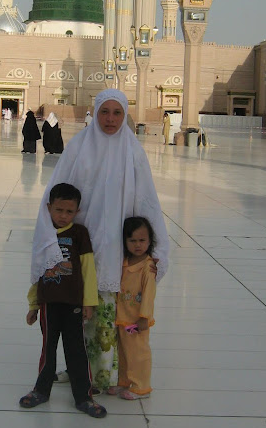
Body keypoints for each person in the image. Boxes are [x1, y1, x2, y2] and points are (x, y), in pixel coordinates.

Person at [31, 88, 169, 394]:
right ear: (96, 113)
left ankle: (104, 374)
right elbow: (58, 190)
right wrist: (53, 238)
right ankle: (79, 368)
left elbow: (146, 200)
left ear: (125, 115)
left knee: (109, 314)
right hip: (80, 245)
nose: (110, 119)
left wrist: (152, 247)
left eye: (117, 113)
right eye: (105, 112)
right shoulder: (80, 145)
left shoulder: (133, 150)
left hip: (118, 248)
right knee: (79, 312)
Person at [20, 183, 107, 419]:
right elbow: (37, 270)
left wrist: (89, 302)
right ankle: (41, 390)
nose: (63, 216)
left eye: (69, 212)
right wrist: (33, 305)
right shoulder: (44, 233)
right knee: (48, 348)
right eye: (58, 210)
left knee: (76, 349)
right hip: (49, 304)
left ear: (77, 212)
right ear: (48, 208)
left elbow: (88, 270)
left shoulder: (79, 234)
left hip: (74, 304)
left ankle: (83, 396)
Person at [107, 217, 157, 401]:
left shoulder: (148, 267)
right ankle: (124, 381)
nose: (138, 245)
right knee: (123, 352)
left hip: (137, 321)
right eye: (132, 240)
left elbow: (149, 293)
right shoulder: (125, 262)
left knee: (138, 352)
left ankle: (141, 386)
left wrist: (144, 317)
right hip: (123, 318)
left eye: (142, 240)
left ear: (150, 241)